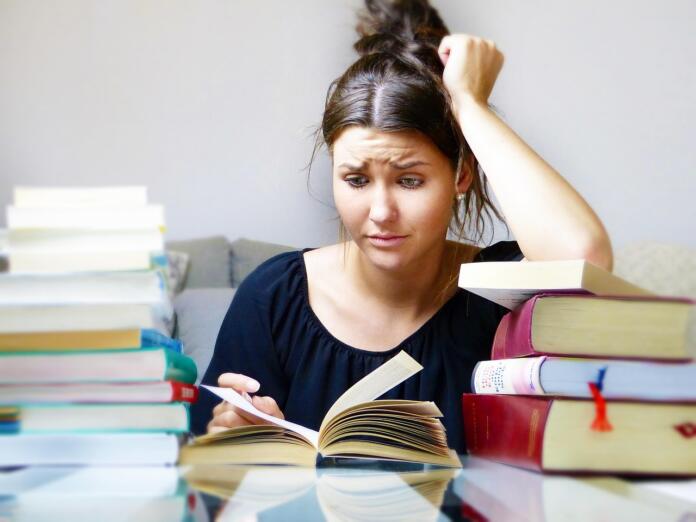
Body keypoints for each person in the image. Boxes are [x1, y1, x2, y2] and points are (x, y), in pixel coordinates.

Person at [190, 0, 612, 453]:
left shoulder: (498, 294)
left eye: (409, 181)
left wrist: (471, 104)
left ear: (461, 176)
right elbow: (218, 475)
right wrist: (233, 437)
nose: (380, 211)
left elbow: (585, 259)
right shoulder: (274, 296)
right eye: (356, 180)